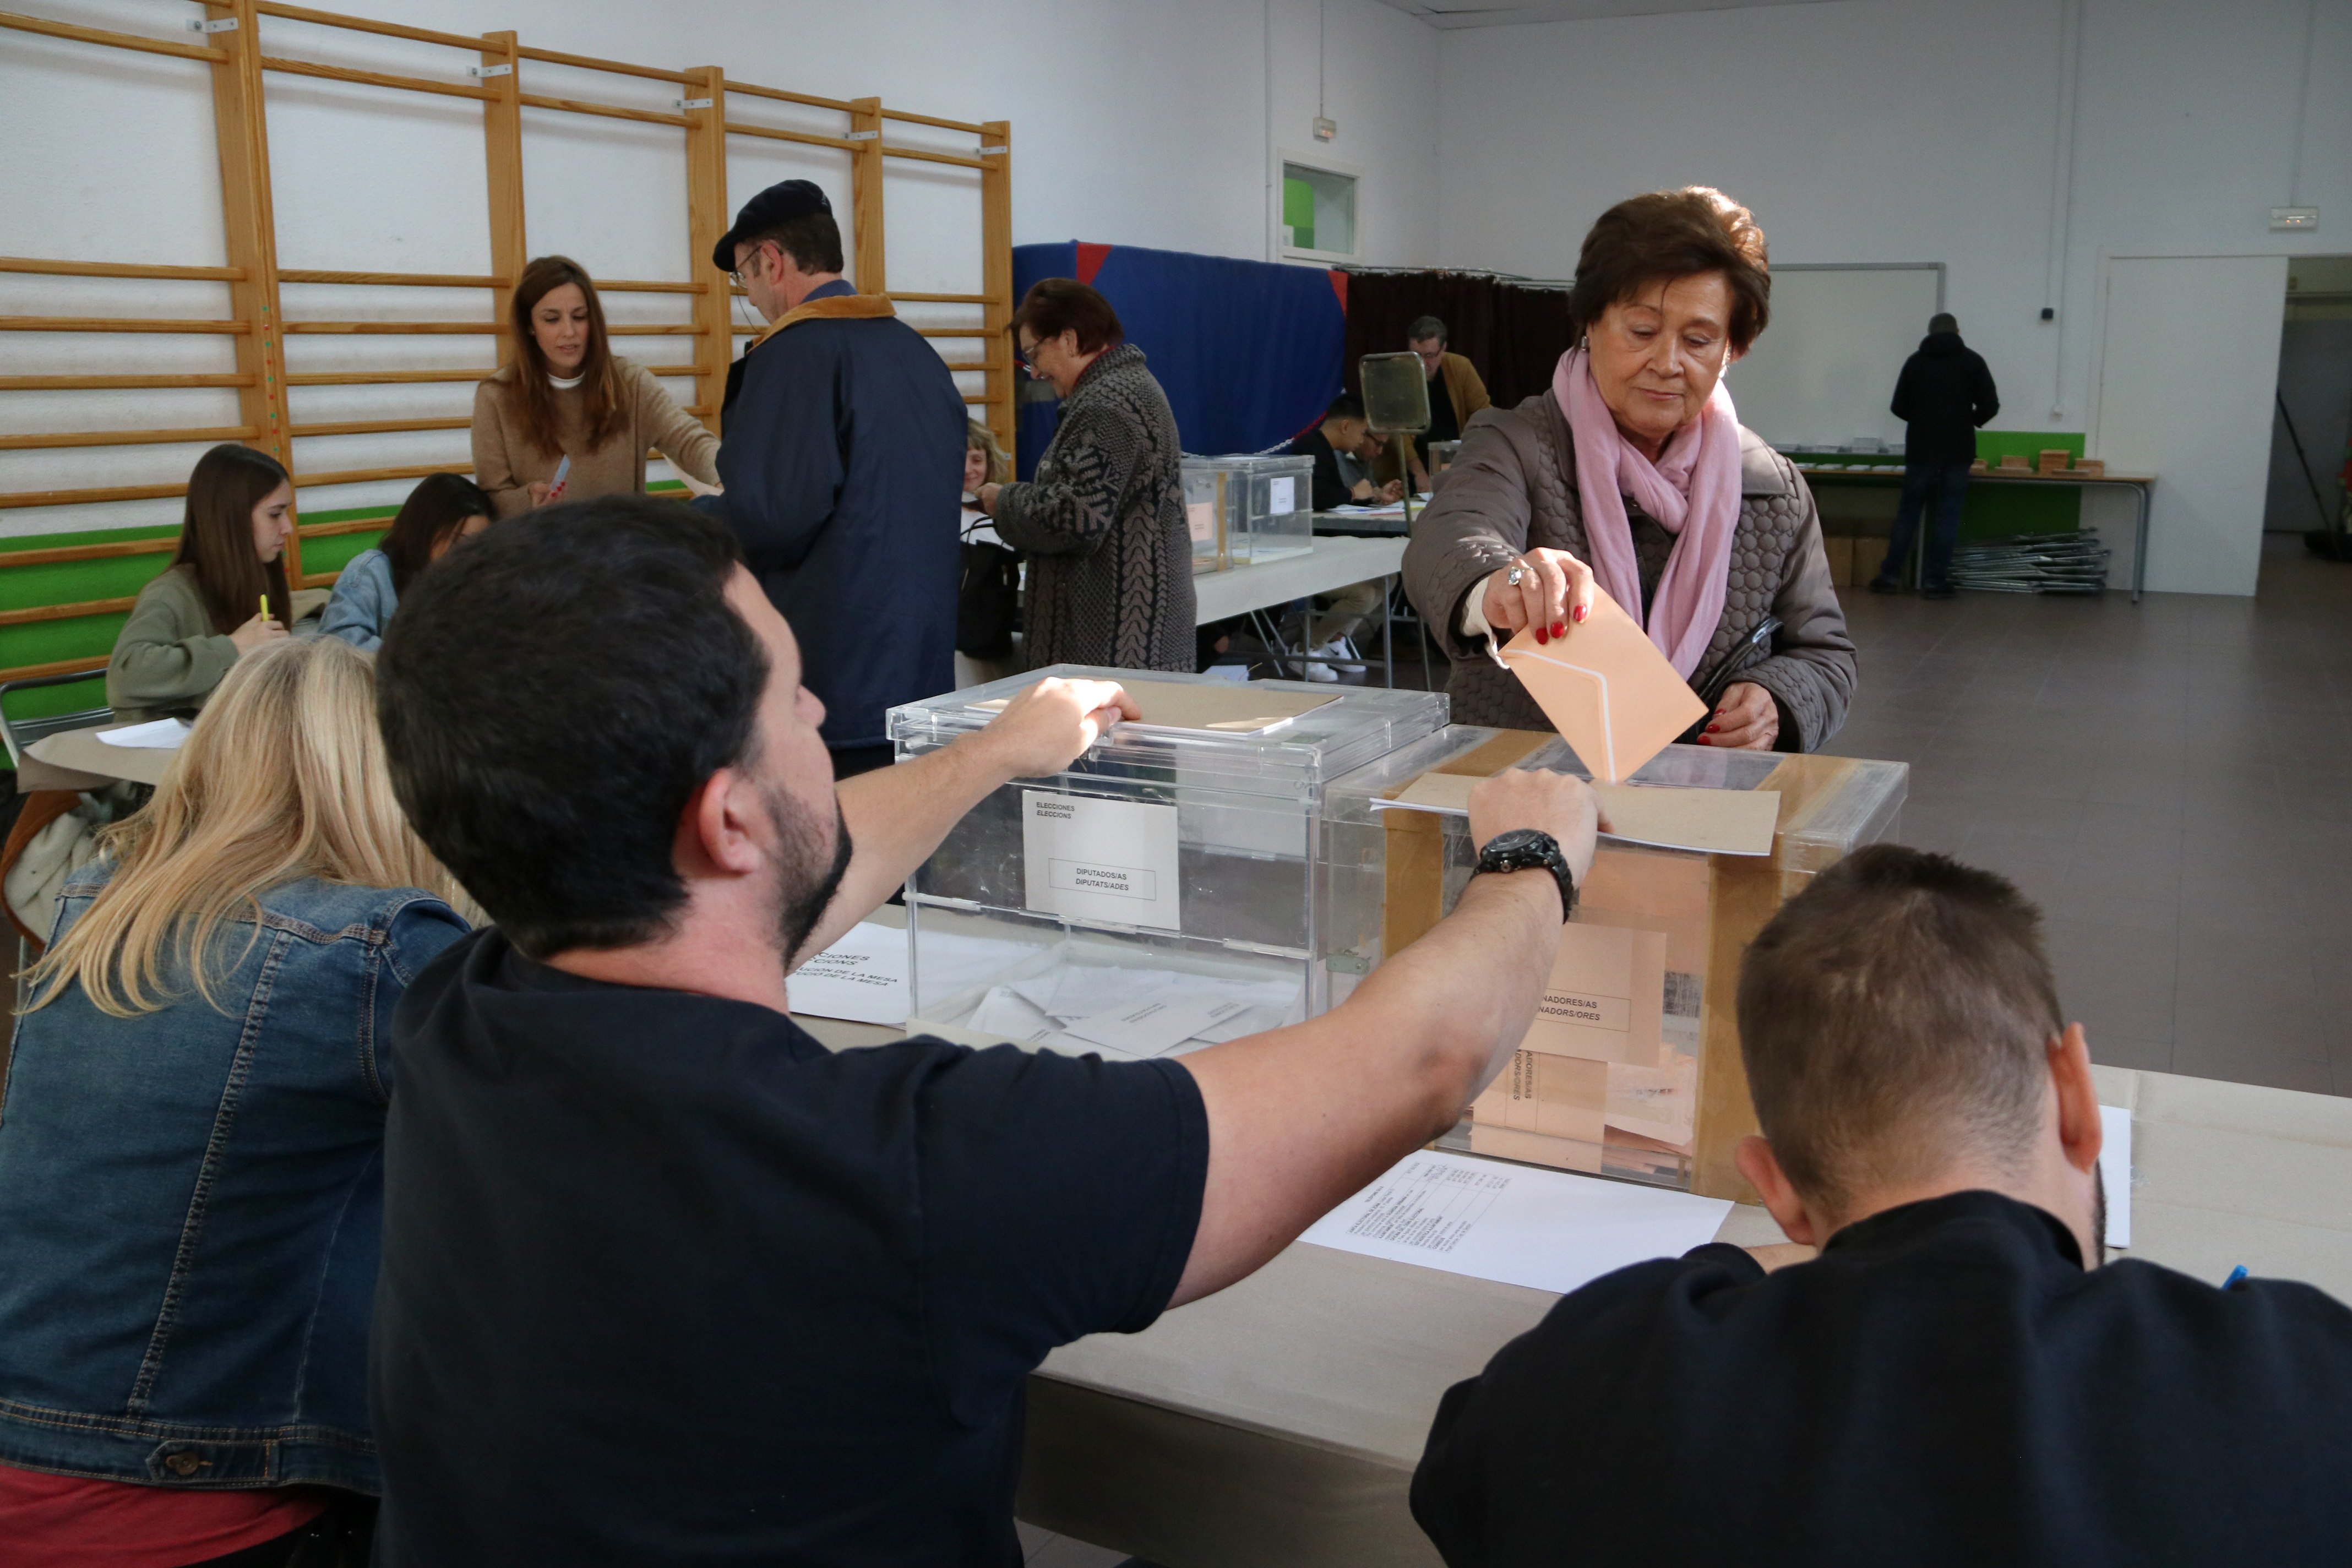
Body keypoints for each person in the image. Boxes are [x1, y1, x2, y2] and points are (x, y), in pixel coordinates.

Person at [366, 496, 1599, 1566]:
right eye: (790, 697)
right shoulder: (895, 1169)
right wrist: (1533, 857)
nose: (818, 704)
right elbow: (1416, 1062)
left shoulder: (455, 1014)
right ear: (729, 818)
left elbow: (783, 878)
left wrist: (996, 754)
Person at [1411, 843, 2352, 1566]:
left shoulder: (1591, 1388)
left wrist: (1724, 1277)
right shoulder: (2302, 1382)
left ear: (1772, 1185)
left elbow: (1460, 1477)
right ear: (2073, 1091)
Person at [0, 638, 477, 1565]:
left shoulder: (102, 908)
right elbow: (574, 1114)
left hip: (38, 1444)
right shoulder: (373, 945)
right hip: (185, 1493)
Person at [1403, 187, 1855, 753]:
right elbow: (1449, 535)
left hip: (1703, 806)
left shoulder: (1772, 488)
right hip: (1530, 799)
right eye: (1642, 331)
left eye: (1698, 340)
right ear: (1591, 323)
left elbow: (1825, 654)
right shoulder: (1518, 441)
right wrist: (1503, 581)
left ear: (1731, 350)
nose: (1667, 363)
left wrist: (1777, 699)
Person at [703, 179, 966, 777]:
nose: (749, 294)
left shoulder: (795, 357)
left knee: (840, 865)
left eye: (744, 277)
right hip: (923, 681)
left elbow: (770, 519)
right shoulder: (916, 353)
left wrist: (696, 517)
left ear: (771, 260)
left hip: (837, 688)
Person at [971, 279, 1195, 672]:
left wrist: (1002, 501)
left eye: (1033, 355)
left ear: (1070, 340)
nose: (1035, 372)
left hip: (1118, 637)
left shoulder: (1106, 405)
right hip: (1129, 629)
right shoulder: (1125, 389)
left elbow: (1077, 518)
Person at [471, 254, 721, 519]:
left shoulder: (630, 383)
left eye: (579, 317)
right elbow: (491, 497)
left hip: (621, 551)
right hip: (540, 554)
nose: (569, 331)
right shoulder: (496, 396)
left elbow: (691, 442)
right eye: (552, 320)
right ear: (529, 326)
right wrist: (528, 500)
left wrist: (725, 481)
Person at [107, 443, 295, 723]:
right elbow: (125, 676)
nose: (288, 527)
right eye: (275, 514)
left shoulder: (260, 581)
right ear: (232, 518)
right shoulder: (170, 594)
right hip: (166, 758)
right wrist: (232, 648)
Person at [1872, 311, 2000, 599]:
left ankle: (1889, 577)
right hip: (1958, 450)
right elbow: (1990, 405)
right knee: (1948, 517)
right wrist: (1971, 419)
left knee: (1908, 515)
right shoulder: (1972, 362)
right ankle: (1934, 582)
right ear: (1957, 331)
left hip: (1921, 449)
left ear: (1929, 333)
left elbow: (1898, 406)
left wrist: (1921, 420)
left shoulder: (1915, 363)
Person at [319, 472, 492, 653]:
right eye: (458, 542)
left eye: (478, 547)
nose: (468, 556)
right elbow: (335, 646)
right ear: (425, 532)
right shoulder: (372, 572)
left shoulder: (476, 583)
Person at [957, 420, 1022, 688]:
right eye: (960, 459)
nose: (968, 470)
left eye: (976, 460)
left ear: (989, 463)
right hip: (956, 647)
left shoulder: (1007, 517)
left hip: (995, 642)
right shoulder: (935, 514)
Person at [1403, 314, 1491, 488]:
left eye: (1429, 355)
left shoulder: (1460, 367)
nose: (1422, 363)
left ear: (1443, 349)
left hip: (1457, 463)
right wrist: (1420, 473)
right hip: (1409, 470)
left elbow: (1483, 415)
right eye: (1416, 355)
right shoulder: (1399, 370)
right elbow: (1397, 432)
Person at [1290, 393, 1403, 512]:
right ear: (1345, 427)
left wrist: (1375, 495)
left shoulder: (1325, 448)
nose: (1361, 440)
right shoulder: (1311, 447)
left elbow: (1336, 496)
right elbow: (1315, 495)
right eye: (1362, 433)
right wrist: (1353, 493)